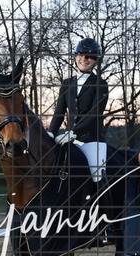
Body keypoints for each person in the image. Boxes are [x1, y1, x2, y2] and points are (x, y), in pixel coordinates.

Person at [48, 37, 109, 182]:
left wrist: (73, 133)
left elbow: (95, 114)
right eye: (81, 55)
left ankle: (105, 197)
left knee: (97, 177)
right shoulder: (66, 84)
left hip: (92, 140)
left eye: (89, 57)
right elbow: (59, 112)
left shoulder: (100, 84)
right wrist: (51, 133)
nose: (84, 59)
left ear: (95, 61)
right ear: (76, 57)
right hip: (68, 140)